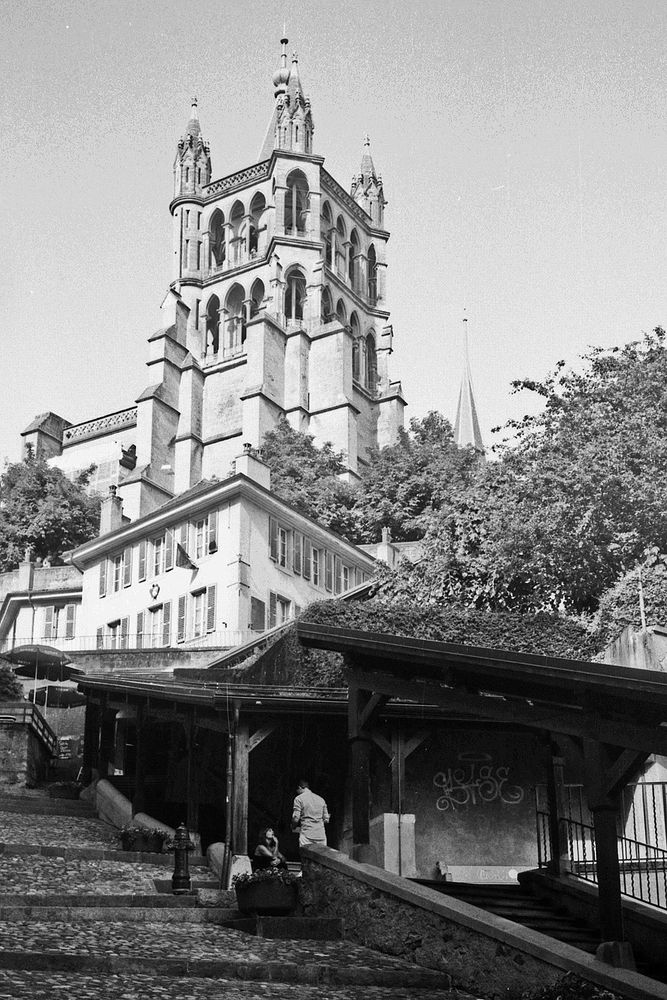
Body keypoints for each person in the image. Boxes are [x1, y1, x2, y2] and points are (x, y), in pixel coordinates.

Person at [291, 779, 330, 847]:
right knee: (321, 857)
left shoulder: (299, 799)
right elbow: (326, 820)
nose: (297, 792)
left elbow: (296, 818)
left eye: (297, 790)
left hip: (307, 836)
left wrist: (293, 827)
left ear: (299, 787)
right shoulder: (321, 799)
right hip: (320, 836)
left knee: (306, 856)